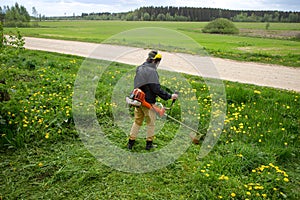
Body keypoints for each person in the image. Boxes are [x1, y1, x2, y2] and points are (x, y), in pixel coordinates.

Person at [127, 50, 178, 150]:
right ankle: (149, 145)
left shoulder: (140, 68)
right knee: (151, 124)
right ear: (155, 61)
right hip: (148, 102)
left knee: (137, 122)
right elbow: (156, 89)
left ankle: (130, 143)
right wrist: (169, 96)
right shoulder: (152, 71)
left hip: (138, 100)